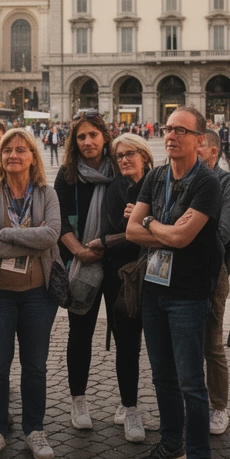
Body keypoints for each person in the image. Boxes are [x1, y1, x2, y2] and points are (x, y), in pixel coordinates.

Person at [127, 107, 222, 459]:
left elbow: (182, 238)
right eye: (168, 128)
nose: (171, 135)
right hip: (154, 287)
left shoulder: (207, 182)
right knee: (162, 375)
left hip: (188, 293)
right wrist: (161, 229)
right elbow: (131, 231)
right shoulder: (156, 176)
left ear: (200, 139)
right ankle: (172, 445)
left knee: (191, 382)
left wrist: (150, 222)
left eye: (181, 130)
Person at [0, 127, 61, 459]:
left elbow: (51, 235)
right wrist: (29, 238)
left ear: (33, 157)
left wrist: (6, 233)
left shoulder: (47, 193)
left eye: (21, 150)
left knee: (35, 365)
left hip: (38, 294)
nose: (13, 155)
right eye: (7, 150)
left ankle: (34, 430)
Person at [55, 111, 116, 432]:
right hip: (81, 264)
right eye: (81, 136)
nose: (88, 141)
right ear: (74, 142)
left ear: (105, 137)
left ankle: (129, 403)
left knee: (126, 334)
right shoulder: (67, 174)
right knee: (80, 333)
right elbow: (59, 221)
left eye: (93, 134)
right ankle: (78, 399)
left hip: (118, 262)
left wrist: (108, 245)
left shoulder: (120, 169)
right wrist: (80, 251)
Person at [97, 133, 153, 442]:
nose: (124, 159)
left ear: (144, 155)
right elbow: (112, 233)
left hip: (156, 274)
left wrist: (143, 221)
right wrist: (143, 226)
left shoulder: (158, 183)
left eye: (130, 153)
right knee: (127, 345)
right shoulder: (115, 189)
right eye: (119, 156)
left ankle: (165, 405)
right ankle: (130, 407)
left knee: (159, 346)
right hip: (121, 276)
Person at [199, 129, 230, 436]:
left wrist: (175, 233)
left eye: (199, 146)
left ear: (213, 151)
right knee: (182, 342)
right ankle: (189, 400)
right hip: (177, 272)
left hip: (214, 274)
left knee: (212, 344)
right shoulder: (178, 178)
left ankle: (219, 406)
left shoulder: (229, 185)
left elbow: (221, 235)